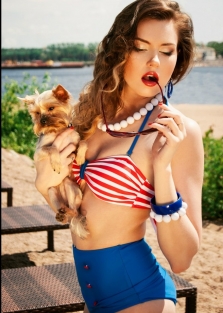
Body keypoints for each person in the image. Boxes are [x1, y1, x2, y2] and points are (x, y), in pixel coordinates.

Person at [35, 0, 204, 312]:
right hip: (94, 303)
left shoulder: (179, 132)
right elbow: (76, 211)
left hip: (142, 300)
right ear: (120, 51)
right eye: (141, 47)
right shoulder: (90, 116)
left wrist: (162, 170)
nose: (154, 60)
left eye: (167, 50)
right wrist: (44, 182)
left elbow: (182, 260)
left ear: (177, 59)